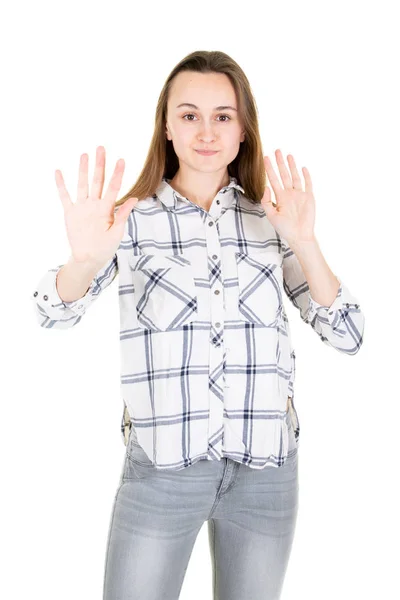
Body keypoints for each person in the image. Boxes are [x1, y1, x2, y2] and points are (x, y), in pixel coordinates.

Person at [31, 50, 365, 600]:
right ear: (166, 126)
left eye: (222, 116)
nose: (205, 131)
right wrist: (84, 261)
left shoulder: (274, 218)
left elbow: (348, 334)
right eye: (188, 115)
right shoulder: (128, 220)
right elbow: (51, 311)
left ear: (242, 131)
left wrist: (305, 241)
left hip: (265, 472)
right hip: (163, 469)